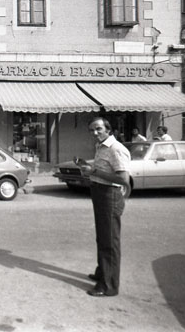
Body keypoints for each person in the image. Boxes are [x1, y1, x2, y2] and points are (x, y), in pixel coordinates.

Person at [78, 117, 130, 297]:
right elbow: (104, 170)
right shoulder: (101, 147)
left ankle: (109, 285)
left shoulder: (116, 149)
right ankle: (102, 272)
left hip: (110, 195)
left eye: (98, 129)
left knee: (109, 240)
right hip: (99, 192)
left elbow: (123, 179)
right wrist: (88, 169)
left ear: (108, 129)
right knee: (102, 237)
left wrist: (94, 171)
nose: (95, 133)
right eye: (91, 130)